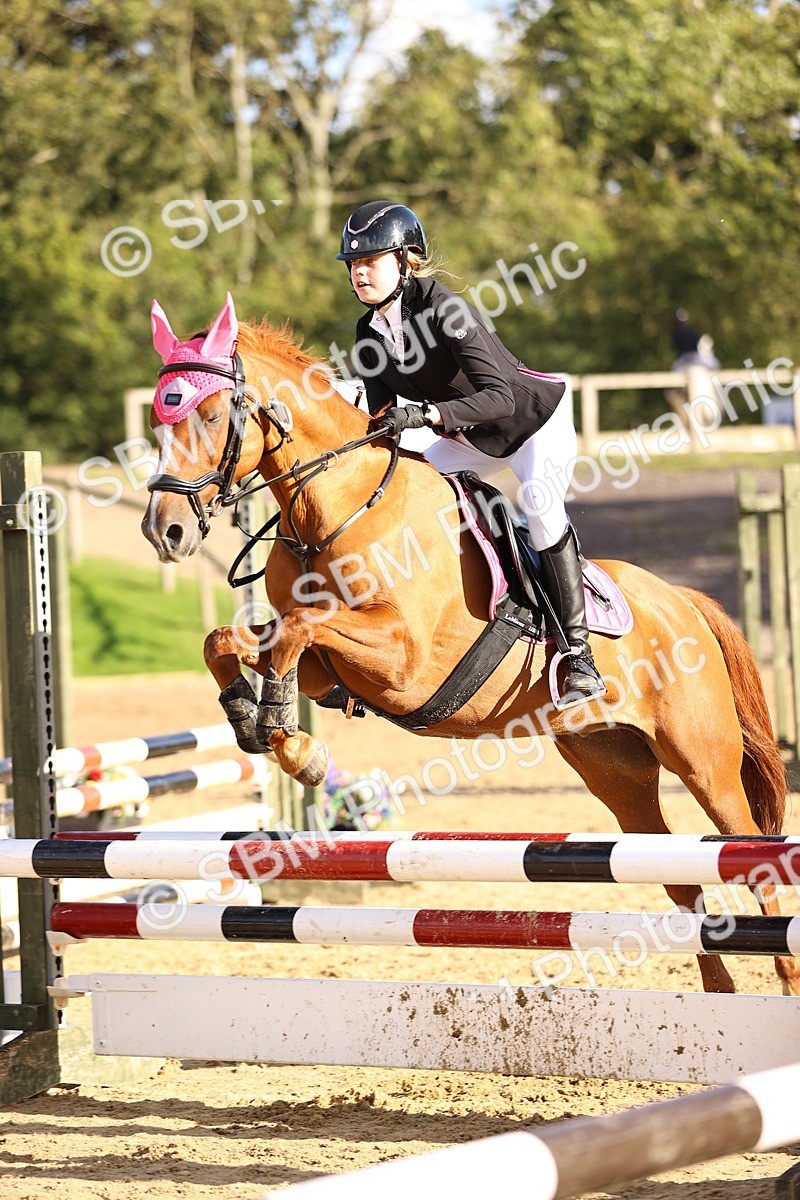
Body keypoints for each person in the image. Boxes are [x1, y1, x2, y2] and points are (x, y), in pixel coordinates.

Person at [336, 199, 605, 707]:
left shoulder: (445, 307)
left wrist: (427, 417)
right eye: (353, 264)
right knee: (409, 495)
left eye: (370, 260)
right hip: (467, 438)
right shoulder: (366, 332)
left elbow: (499, 396)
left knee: (544, 514)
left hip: (531, 425)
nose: (359, 272)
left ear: (404, 260)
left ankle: (578, 654)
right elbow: (383, 418)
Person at [665, 308, 720, 427]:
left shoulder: (677, 333)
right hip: (696, 360)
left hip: (685, 362)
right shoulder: (692, 331)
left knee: (672, 391)